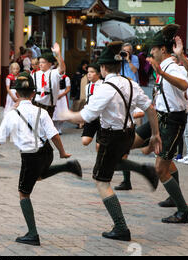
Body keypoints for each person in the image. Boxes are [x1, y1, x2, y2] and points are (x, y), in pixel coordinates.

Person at [62, 41, 161, 241]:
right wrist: (155, 134)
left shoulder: (105, 88)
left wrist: (67, 115)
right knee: (113, 162)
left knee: (101, 181)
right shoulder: (131, 83)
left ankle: (121, 227)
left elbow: (87, 116)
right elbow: (151, 108)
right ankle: (144, 170)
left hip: (112, 136)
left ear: (103, 68)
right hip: (128, 133)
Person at [0, 72, 81, 246]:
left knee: (23, 193)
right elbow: (55, 135)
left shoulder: (12, 115)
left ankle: (32, 233)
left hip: (30, 157)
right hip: (47, 152)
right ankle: (68, 165)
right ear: (33, 94)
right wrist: (62, 152)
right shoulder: (42, 112)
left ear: (16, 94)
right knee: (39, 174)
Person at [132, 26, 188, 223]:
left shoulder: (171, 67)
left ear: (163, 50)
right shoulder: (165, 67)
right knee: (130, 141)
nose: (151, 52)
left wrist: (162, 72)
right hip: (159, 116)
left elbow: (185, 85)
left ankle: (184, 211)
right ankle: (172, 194)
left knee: (160, 168)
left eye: (154, 49)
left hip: (173, 121)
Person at [32, 43, 66, 118]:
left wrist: (58, 54)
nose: (40, 64)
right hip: (35, 104)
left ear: (50, 64)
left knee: (45, 127)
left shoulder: (54, 73)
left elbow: (62, 68)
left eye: (43, 62)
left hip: (48, 106)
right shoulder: (35, 74)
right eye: (39, 62)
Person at [81, 64, 103, 147]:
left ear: (98, 74)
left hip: (102, 118)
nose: (89, 74)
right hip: (91, 116)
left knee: (99, 146)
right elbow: (87, 102)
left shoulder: (103, 85)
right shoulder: (87, 86)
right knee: (85, 141)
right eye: (88, 72)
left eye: (92, 72)